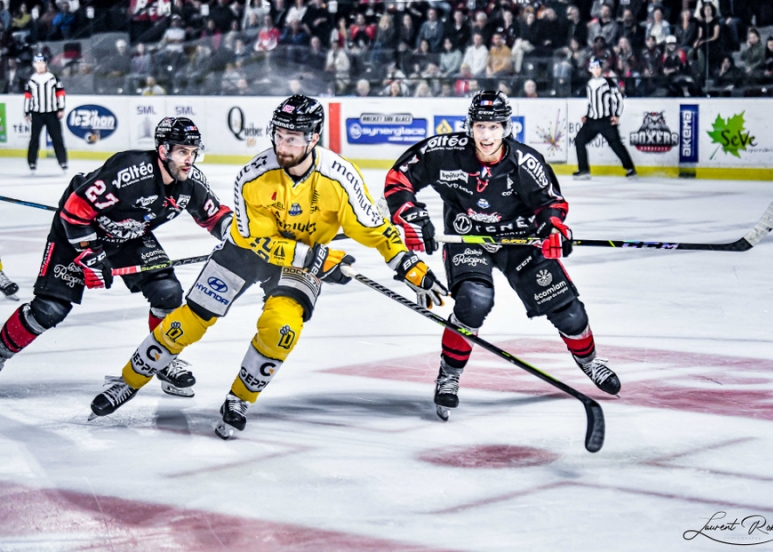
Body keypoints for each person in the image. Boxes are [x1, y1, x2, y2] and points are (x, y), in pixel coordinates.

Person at [88, 95, 447, 438]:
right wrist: (314, 258)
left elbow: (375, 230)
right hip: (248, 253)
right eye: (278, 135)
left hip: (301, 262)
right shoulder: (253, 175)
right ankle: (128, 381)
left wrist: (411, 268)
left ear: (313, 138)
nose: (282, 146)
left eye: (292, 138)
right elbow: (252, 241)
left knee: (280, 329)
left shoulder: (341, 177)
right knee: (190, 320)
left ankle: (239, 399)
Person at [384, 90, 621, 421]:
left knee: (568, 312)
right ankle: (449, 376)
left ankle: (590, 361)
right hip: (466, 237)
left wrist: (553, 229)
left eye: (494, 127)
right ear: (470, 127)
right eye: (480, 126)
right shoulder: (445, 152)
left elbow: (551, 204)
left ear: (506, 128)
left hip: (519, 241)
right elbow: (399, 177)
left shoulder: (525, 162)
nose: (486, 135)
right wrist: (409, 214)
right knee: (473, 301)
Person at [0, 118, 233, 395]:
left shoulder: (190, 182)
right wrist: (91, 254)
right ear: (163, 150)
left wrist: (242, 239)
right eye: (183, 151)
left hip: (129, 234)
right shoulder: (131, 171)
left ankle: (163, 360)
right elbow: (74, 210)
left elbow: (216, 216)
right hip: (77, 231)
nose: (189, 159)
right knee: (50, 309)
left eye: (193, 152)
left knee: (167, 291)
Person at [573, 58, 636, 180]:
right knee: (579, 141)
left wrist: (616, 115)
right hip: (592, 120)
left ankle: (630, 168)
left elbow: (618, 99)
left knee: (615, 143)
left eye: (598, 68)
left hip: (605, 120)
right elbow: (592, 102)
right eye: (593, 68)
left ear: (601, 69)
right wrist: (587, 115)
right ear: (590, 70)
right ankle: (584, 170)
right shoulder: (589, 84)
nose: (596, 70)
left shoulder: (608, 82)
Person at [24, 53, 68, 174]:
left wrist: (61, 108)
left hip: (52, 113)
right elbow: (28, 97)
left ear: (45, 64)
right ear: (34, 65)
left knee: (57, 138)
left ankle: (63, 161)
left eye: (41, 63)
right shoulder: (32, 79)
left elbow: (60, 94)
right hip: (37, 113)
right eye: (37, 63)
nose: (39, 66)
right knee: (34, 139)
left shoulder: (53, 78)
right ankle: (32, 162)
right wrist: (27, 112)